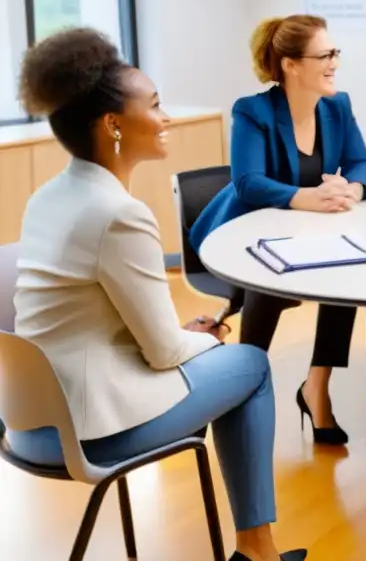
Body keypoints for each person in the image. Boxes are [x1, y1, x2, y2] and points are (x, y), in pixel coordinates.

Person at [7, 29, 303, 561]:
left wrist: (183, 339)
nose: (166, 117)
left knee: (214, 354)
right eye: (157, 105)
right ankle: (257, 550)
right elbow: (163, 353)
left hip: (28, 423)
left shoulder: (48, 196)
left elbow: (106, 324)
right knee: (252, 365)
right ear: (113, 125)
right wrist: (200, 342)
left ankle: (257, 550)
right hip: (91, 433)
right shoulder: (119, 215)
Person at [190, 15, 366, 446]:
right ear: (291, 65)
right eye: (325, 55)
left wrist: (349, 187)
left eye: (335, 53)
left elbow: (365, 165)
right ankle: (238, 392)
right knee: (267, 286)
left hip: (303, 239)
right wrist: (306, 196)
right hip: (238, 241)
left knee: (347, 272)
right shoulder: (253, 112)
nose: (334, 63)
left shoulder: (337, 106)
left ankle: (317, 386)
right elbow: (248, 182)